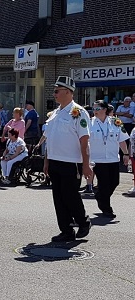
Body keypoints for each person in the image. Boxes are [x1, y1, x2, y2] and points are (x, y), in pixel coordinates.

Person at [43, 76, 92, 242]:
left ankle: (83, 222)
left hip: (72, 162)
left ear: (68, 92)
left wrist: (86, 166)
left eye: (57, 91)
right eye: (54, 90)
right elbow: (50, 139)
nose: (54, 94)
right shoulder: (55, 113)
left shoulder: (78, 113)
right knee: (58, 197)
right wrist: (47, 161)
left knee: (70, 195)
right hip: (55, 161)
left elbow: (84, 142)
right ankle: (66, 230)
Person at [89, 100, 129, 218]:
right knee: (104, 184)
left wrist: (126, 154)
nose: (94, 111)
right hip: (97, 159)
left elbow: (121, 140)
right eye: (93, 109)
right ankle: (106, 208)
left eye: (97, 109)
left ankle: (100, 196)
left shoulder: (115, 122)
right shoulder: (90, 123)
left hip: (113, 158)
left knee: (114, 182)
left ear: (104, 110)